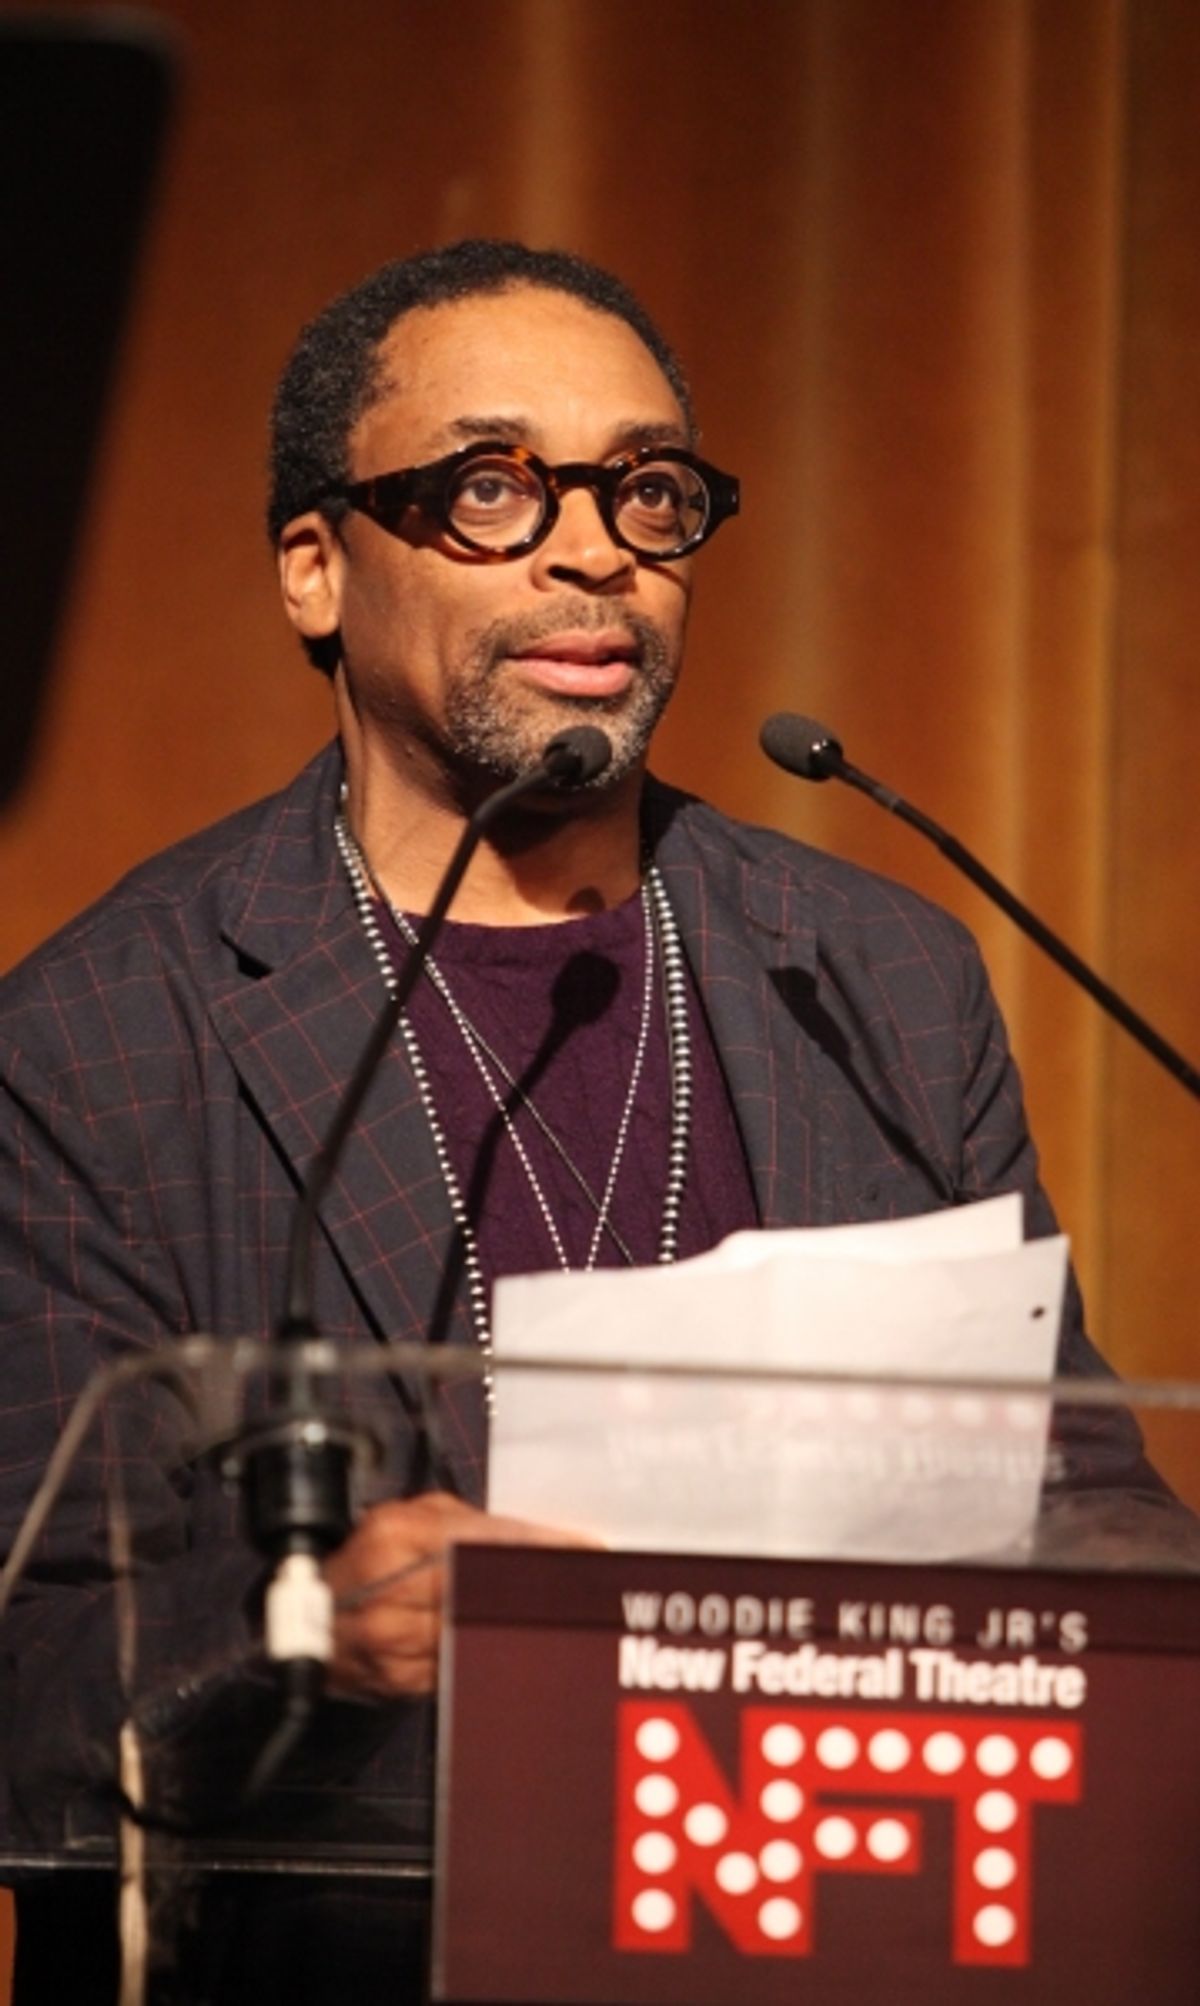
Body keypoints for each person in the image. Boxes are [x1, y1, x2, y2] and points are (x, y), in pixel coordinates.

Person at [0, 239, 1147, 2000]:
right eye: (492, 487)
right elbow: (33, 1672)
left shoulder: (876, 974)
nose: (598, 547)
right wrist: (304, 1629)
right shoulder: (99, 1035)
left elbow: (1086, 1495)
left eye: (650, 489)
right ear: (317, 568)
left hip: (838, 1945)